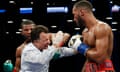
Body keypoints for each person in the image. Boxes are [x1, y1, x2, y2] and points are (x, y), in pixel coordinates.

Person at [70, 0, 115, 72]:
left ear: (81, 12)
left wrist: (80, 47)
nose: (74, 19)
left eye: (74, 14)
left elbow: (100, 58)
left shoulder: (101, 28)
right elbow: (89, 58)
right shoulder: (84, 32)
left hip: (104, 70)